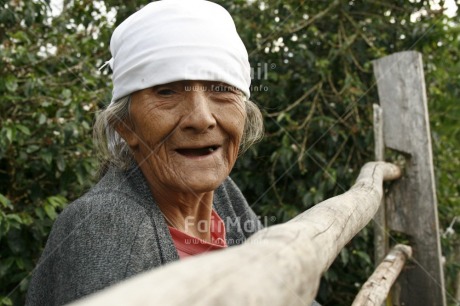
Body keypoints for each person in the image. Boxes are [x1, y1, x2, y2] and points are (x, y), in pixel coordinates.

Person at [26, 1, 321, 305]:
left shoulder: (222, 197)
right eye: (167, 92)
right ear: (125, 126)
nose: (201, 118)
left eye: (221, 89)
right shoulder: (103, 226)